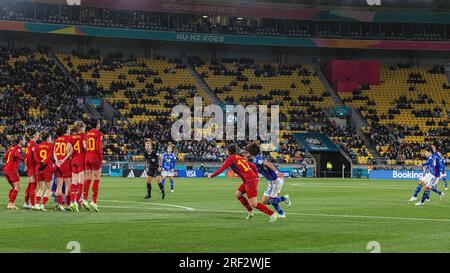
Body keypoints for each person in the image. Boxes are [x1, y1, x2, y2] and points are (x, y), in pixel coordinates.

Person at [208, 144, 278, 223]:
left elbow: (221, 169)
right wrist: (256, 176)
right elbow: (252, 166)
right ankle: (251, 212)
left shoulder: (230, 159)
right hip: (249, 180)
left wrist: (211, 175)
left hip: (250, 181)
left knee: (254, 203)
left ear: (229, 151)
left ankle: (272, 214)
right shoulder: (240, 157)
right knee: (238, 194)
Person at [247, 142, 291, 218]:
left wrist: (277, 172)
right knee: (265, 200)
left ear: (250, 152)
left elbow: (267, 163)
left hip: (275, 180)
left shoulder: (257, 159)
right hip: (272, 181)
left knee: (271, 199)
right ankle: (281, 212)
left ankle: (283, 202)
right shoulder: (256, 159)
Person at [84, 119, 103, 212]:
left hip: (87, 157)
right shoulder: (98, 134)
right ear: (97, 125)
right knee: (97, 179)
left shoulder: (87, 134)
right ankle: (94, 201)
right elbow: (98, 147)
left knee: (88, 178)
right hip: (94, 157)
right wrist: (101, 158)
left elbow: (85, 146)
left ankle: (85, 199)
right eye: (99, 123)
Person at [54, 124, 73, 211]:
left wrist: (57, 160)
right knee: (68, 184)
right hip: (65, 163)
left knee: (59, 185)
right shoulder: (69, 138)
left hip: (57, 164)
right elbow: (69, 151)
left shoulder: (57, 139)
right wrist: (64, 160)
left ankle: (59, 204)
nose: (70, 130)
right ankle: (67, 204)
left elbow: (54, 151)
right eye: (69, 129)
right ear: (66, 130)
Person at [33, 131, 54, 211]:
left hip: (38, 168)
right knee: (49, 189)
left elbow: (36, 157)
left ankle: (37, 204)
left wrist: (40, 164)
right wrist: (44, 165)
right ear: (48, 138)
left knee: (41, 188)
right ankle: (42, 205)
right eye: (50, 137)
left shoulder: (37, 146)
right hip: (47, 168)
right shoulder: (51, 146)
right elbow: (48, 157)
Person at [3, 135, 25, 210]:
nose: (24, 141)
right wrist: (23, 160)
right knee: (17, 187)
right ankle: (11, 204)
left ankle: (10, 202)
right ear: (20, 141)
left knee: (13, 187)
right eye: (24, 139)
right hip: (12, 170)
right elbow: (17, 155)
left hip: (6, 169)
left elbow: (5, 157)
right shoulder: (18, 148)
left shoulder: (11, 148)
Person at [69, 121, 87, 212]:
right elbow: (84, 147)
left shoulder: (72, 137)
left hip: (73, 161)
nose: (85, 129)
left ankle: (72, 202)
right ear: (81, 128)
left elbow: (67, 149)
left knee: (74, 182)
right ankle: (76, 201)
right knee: (81, 182)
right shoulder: (84, 135)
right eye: (84, 127)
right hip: (81, 160)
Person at [23, 128, 39, 210]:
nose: (38, 135)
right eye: (37, 134)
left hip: (29, 166)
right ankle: (33, 204)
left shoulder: (29, 144)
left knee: (30, 184)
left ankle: (26, 203)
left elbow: (26, 156)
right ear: (35, 135)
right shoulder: (33, 145)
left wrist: (26, 165)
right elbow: (30, 157)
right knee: (33, 184)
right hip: (32, 167)